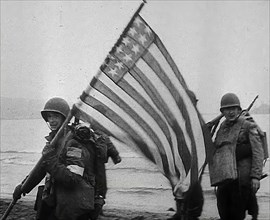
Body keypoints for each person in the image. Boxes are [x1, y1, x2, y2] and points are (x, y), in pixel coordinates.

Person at [13, 97, 97, 220]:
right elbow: (41, 168)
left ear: (64, 118)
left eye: (55, 117)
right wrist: (23, 187)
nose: (51, 121)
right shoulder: (53, 141)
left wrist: (50, 159)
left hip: (71, 206)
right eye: (49, 117)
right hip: (54, 200)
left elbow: (72, 178)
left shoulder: (74, 142)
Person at [213, 93, 264, 220]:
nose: (230, 112)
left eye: (233, 108)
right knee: (223, 213)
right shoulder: (222, 127)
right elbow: (218, 149)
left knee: (237, 215)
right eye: (227, 109)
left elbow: (258, 152)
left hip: (242, 180)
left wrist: (255, 177)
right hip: (224, 180)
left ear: (238, 109)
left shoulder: (248, 125)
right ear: (222, 111)